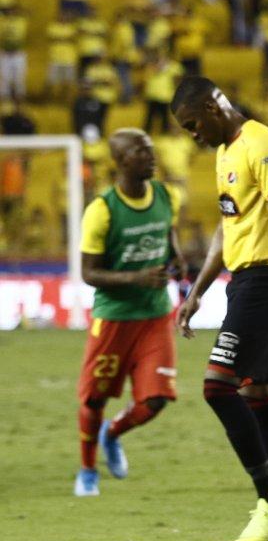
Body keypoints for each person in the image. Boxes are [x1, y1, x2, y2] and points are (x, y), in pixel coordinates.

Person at [171, 76, 268, 541]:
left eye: (192, 124)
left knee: (216, 386)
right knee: (258, 393)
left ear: (211, 106)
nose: (193, 135)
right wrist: (197, 291)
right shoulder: (226, 153)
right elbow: (227, 229)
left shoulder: (261, 143)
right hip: (246, 280)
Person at [74, 129, 185, 497]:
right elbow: (88, 273)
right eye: (141, 151)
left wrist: (176, 257)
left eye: (152, 150)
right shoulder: (102, 210)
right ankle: (88, 469)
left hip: (155, 316)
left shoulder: (166, 194)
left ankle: (113, 432)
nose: (151, 157)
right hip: (114, 318)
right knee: (94, 400)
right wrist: (137, 276)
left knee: (156, 401)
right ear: (121, 161)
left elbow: (168, 233)